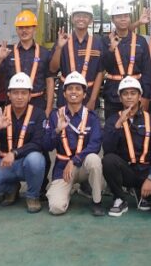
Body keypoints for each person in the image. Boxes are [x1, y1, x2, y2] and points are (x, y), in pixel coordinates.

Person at [0, 73, 48, 213]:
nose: (19, 97)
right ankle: (11, 188)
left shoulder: (38, 114)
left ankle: (32, 196)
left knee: (37, 159)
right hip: (4, 163)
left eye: (23, 93)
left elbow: (39, 143)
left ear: (29, 95)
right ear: (9, 94)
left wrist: (15, 153)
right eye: (15, 93)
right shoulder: (0, 113)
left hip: (26, 162)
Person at [101, 76, 151, 216]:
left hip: (146, 170)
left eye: (133, 93)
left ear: (140, 96)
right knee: (108, 160)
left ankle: (142, 193)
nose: (129, 97)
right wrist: (118, 125)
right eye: (125, 94)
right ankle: (119, 198)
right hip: (126, 171)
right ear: (120, 98)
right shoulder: (112, 120)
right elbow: (107, 150)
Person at [43, 71, 105, 216]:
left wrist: (75, 160)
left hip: (82, 165)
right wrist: (57, 130)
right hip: (62, 168)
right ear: (64, 93)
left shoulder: (91, 117)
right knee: (56, 208)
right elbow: (46, 146)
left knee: (94, 160)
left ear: (84, 94)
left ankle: (97, 201)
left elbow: (95, 145)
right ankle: (67, 190)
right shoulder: (55, 116)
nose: (74, 92)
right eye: (70, 89)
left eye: (78, 89)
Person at [0, 9, 55, 115]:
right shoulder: (8, 52)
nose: (24, 31)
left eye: (28, 27)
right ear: (16, 30)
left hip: (38, 103)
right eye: (21, 28)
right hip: (14, 104)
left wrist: (49, 108)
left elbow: (49, 81)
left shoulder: (44, 53)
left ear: (34, 29)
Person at [101, 2, 151, 119]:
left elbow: (147, 72)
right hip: (113, 94)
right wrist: (111, 50)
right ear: (112, 19)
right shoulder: (105, 41)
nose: (123, 19)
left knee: (136, 131)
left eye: (125, 16)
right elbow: (104, 67)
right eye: (119, 17)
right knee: (114, 129)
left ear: (129, 18)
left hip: (135, 94)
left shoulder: (141, 41)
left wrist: (146, 97)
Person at [49, 4, 104, 111]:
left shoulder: (97, 43)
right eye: (78, 15)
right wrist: (59, 48)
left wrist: (92, 100)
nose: (81, 19)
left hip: (88, 96)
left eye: (85, 16)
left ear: (91, 20)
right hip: (66, 96)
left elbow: (100, 73)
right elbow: (53, 69)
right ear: (72, 19)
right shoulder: (63, 41)